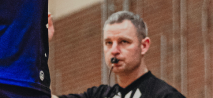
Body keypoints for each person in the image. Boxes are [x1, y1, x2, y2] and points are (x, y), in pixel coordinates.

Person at [52, 12, 185, 98]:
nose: (114, 50)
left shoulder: (164, 95)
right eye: (108, 43)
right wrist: (41, 43)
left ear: (144, 46)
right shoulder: (98, 95)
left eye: (124, 42)